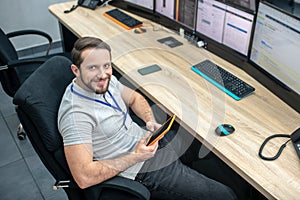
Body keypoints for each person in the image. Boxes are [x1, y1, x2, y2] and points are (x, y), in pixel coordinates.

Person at [57, 36, 237, 200]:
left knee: (204, 140)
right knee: (225, 196)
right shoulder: (75, 115)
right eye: (92, 68)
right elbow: (83, 177)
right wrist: (135, 156)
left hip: (148, 140)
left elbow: (135, 98)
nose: (103, 74)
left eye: (106, 65)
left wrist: (149, 120)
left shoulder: (106, 81)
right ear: (76, 70)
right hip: (140, 168)